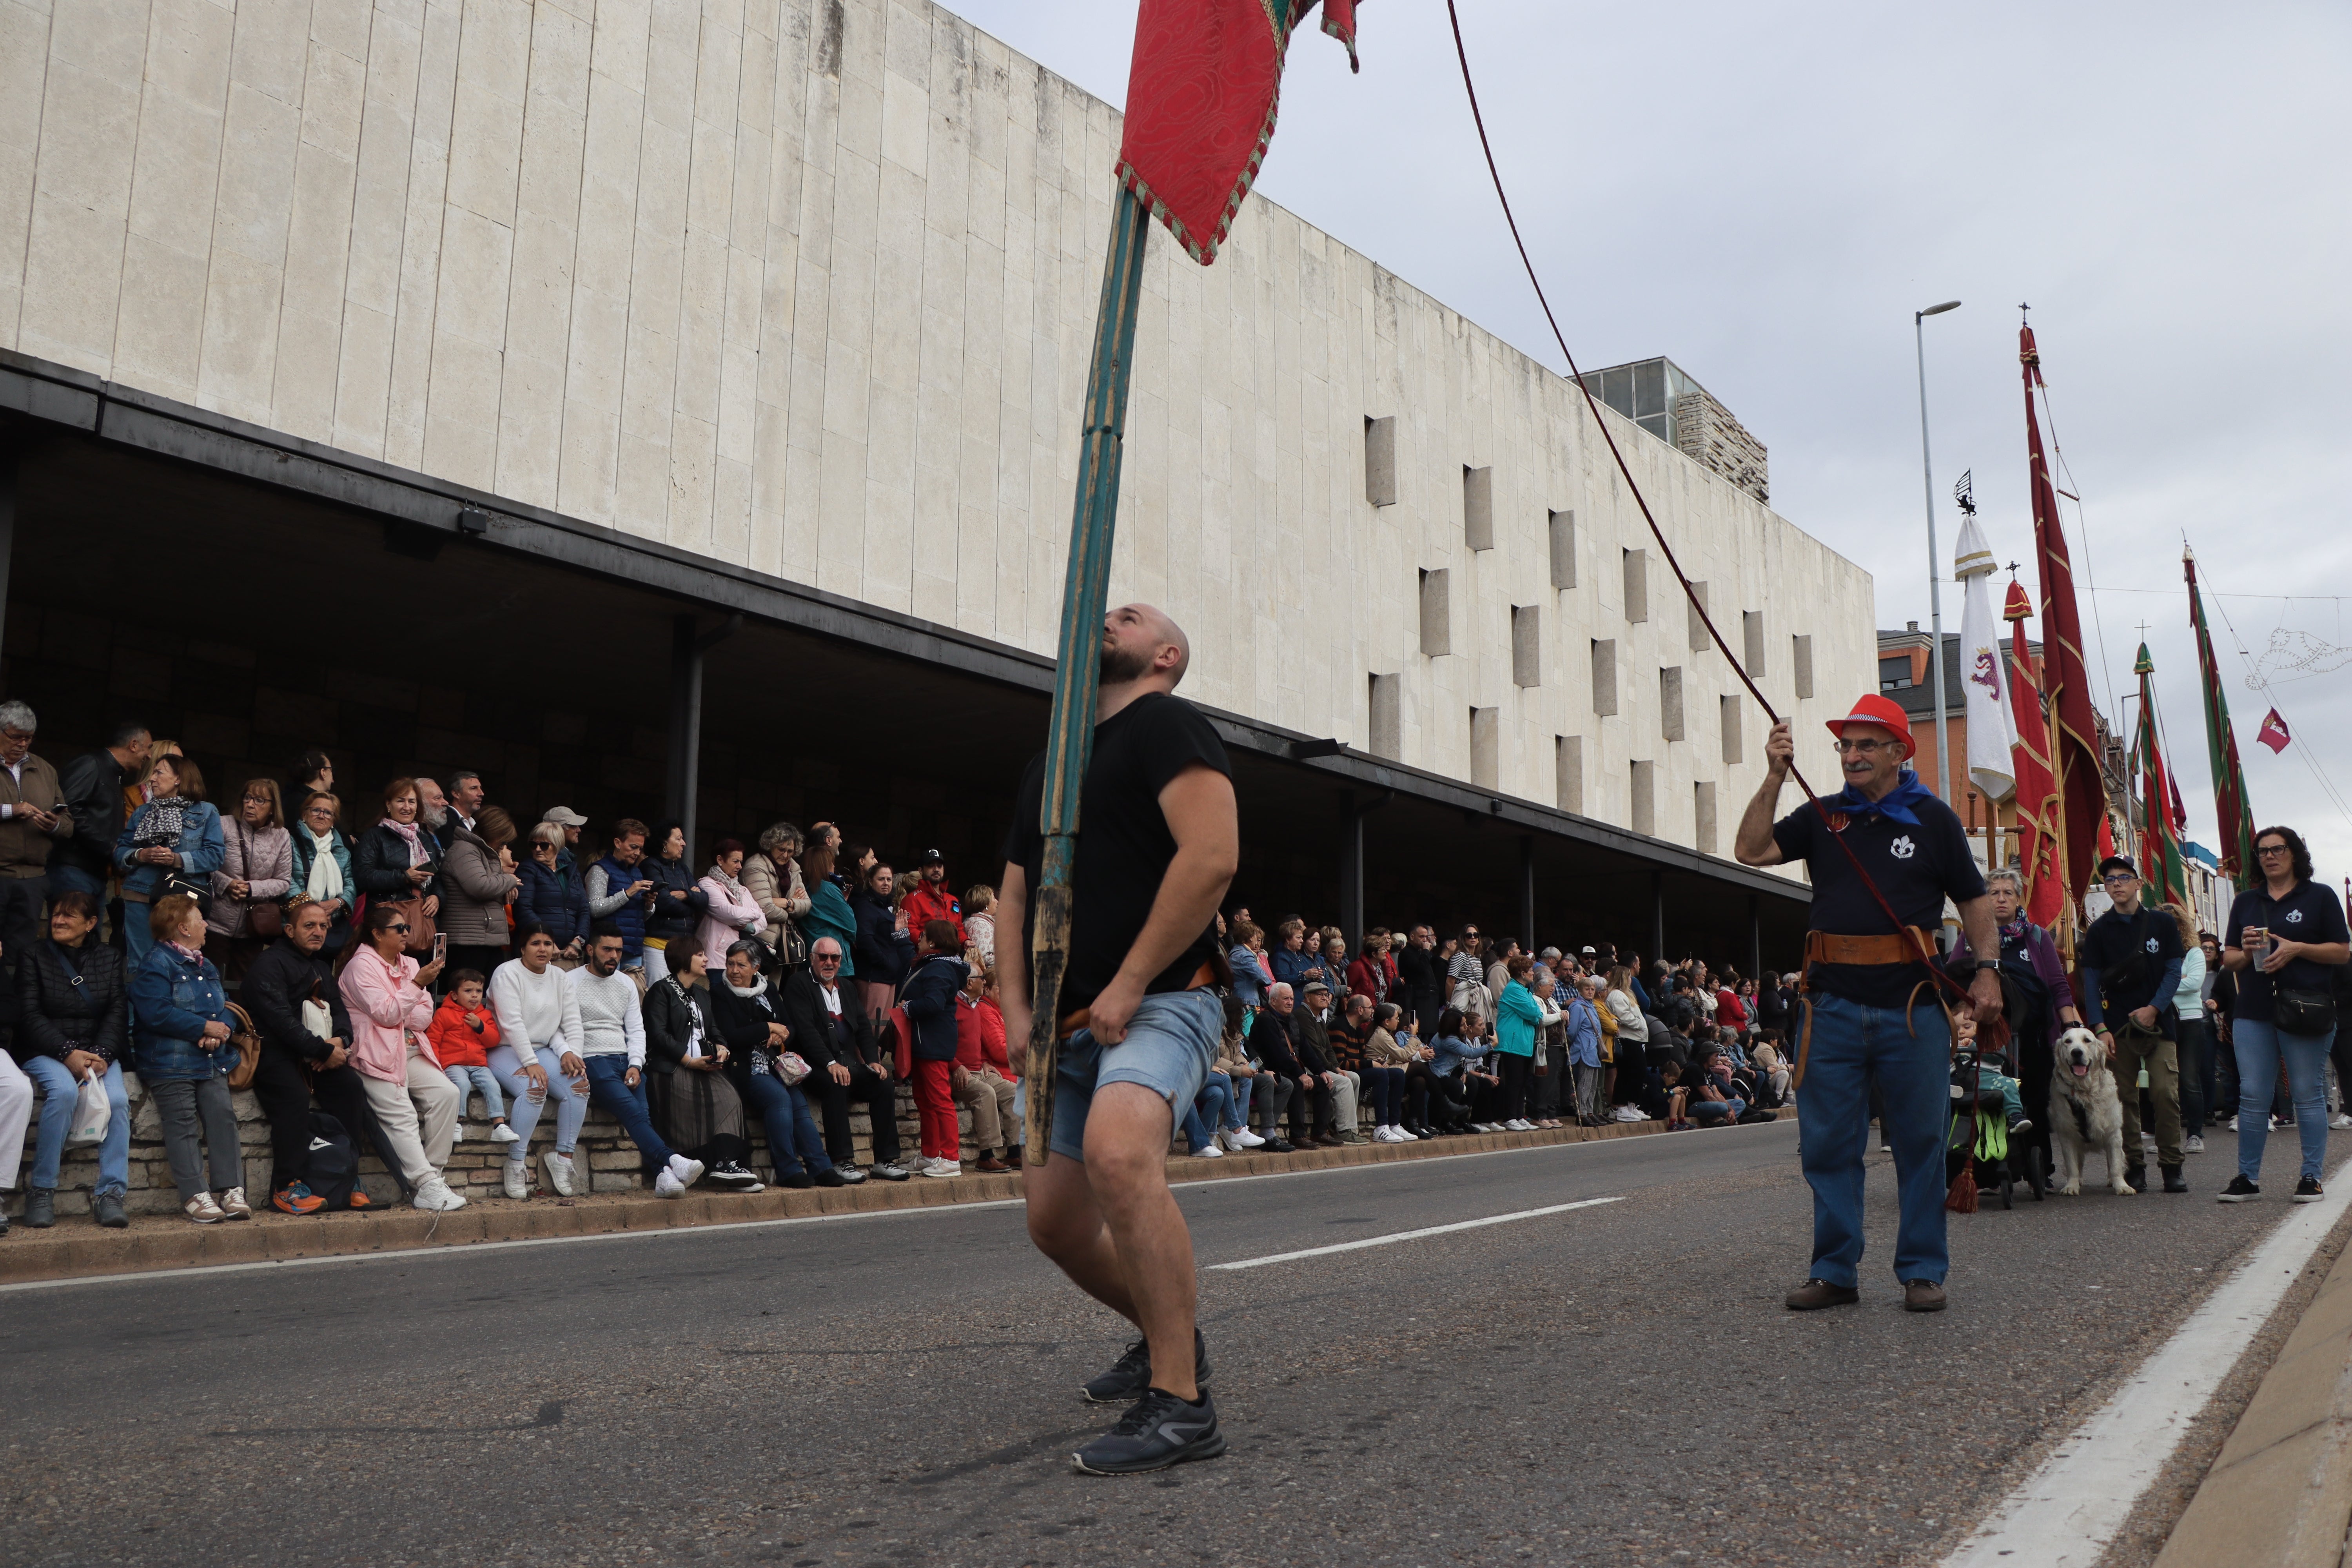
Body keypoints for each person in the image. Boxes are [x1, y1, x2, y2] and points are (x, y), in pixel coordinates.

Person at [996, 602, 1236, 1474]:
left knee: (1121, 1155)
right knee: (1056, 1223)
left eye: (1132, 616)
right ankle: (1168, 1330)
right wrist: (1018, 1016)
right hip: (1062, 1026)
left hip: (1165, 998)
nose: (1112, 612)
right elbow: (1015, 901)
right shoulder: (1050, 765)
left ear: (1166, 655)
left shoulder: (1169, 723)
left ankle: (1181, 1404)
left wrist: (1132, 978)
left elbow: (1210, 857)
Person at [1733, 695, 2000, 1314]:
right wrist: (1774, 775)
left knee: (1920, 1143)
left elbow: (1975, 901)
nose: (1851, 757)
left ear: (1898, 753)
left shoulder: (1934, 820)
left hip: (1911, 1007)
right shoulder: (1824, 816)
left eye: (1865, 746)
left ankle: (1923, 1270)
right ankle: (1834, 1271)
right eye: (1844, 746)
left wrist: (1988, 973)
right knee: (1828, 1146)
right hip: (1829, 1007)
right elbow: (1751, 851)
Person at [2218, 826, 2351, 1203]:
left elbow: (2342, 951)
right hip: (2254, 1011)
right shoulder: (2246, 901)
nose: (2270, 856)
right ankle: (2247, 1178)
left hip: (2305, 1008)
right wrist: (2245, 952)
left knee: (2308, 1095)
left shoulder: (2320, 896)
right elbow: (2229, 959)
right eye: (2263, 851)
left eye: (2278, 849)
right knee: (2253, 1095)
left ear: (2295, 854)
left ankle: (2311, 1177)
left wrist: (2297, 949)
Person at [1945, 868, 2080, 1186]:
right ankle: (1980, 1166)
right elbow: (1953, 981)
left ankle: (2040, 1170)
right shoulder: (1970, 937)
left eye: (2008, 893)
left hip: (2030, 1035)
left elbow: (2058, 987)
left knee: (2032, 1099)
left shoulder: (2036, 936)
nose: (2001, 899)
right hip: (1981, 1035)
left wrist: (2071, 1026)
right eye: (1994, 893)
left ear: (2018, 898)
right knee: (1975, 1098)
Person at [243, 897, 379, 1213]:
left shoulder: (320, 966)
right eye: (309, 926)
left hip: (318, 1054)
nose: (319, 931)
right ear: (289, 930)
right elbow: (280, 1021)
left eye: (323, 926)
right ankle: (286, 1188)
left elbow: (341, 1011)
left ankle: (347, 1181)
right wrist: (322, 1050)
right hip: (276, 1054)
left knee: (350, 1087)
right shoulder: (269, 964)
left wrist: (340, 1041)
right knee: (292, 1097)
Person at [571, 924, 719, 1195]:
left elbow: (637, 1030)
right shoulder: (570, 981)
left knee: (642, 1115)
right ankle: (672, 1160)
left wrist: (636, 1064)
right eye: (607, 949)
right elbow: (566, 1028)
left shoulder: (626, 982)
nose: (614, 955)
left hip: (626, 1060)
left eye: (618, 950)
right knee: (631, 1109)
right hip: (592, 1058)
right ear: (590, 950)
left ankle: (664, 1177)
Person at [12, 891, 131, 1227]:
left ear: (91, 924)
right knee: (64, 1092)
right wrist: (67, 1052)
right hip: (46, 1050)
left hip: (97, 1051)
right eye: (56, 915)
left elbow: (116, 1012)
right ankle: (42, 1190)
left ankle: (111, 1194)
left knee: (119, 1102)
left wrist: (104, 1055)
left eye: (69, 916)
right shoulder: (33, 955)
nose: (59, 921)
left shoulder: (109, 958)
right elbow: (29, 1014)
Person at [128, 893, 249, 1223]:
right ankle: (195, 1195)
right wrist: (203, 1026)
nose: (207, 924)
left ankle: (231, 1189)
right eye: (200, 919)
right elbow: (155, 1013)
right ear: (183, 928)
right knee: (181, 1125)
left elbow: (224, 1006)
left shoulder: (204, 963)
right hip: (170, 1063)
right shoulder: (155, 964)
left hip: (210, 1060)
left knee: (223, 1118)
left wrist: (221, 1028)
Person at [339, 901, 466, 1210]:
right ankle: (425, 1182)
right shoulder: (360, 967)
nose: (407, 933)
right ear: (378, 934)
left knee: (448, 1094)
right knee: (403, 1115)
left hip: (409, 1048)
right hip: (375, 1054)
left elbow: (423, 1017)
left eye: (407, 928)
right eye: (400, 928)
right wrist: (416, 987)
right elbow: (386, 1013)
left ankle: (432, 1179)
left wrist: (402, 1004)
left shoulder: (410, 963)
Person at [2078, 855, 2188, 1195]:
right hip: (2117, 1028)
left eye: (2124, 878)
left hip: (2159, 1024)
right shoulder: (2098, 931)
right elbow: (2091, 983)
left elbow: (2174, 972)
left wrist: (2155, 1008)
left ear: (2139, 884)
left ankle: (2172, 1166)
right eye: (2110, 880)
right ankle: (2134, 1167)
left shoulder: (2162, 924)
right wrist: (2099, 1028)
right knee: (2123, 1098)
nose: (2116, 884)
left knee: (2165, 1093)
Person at [707, 938, 843, 1189]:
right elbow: (730, 1035)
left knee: (799, 1104)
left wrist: (781, 1033)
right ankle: (788, 1170)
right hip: (746, 1066)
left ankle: (821, 1167)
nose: (734, 971)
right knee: (779, 1099)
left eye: (741, 965)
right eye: (730, 964)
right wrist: (767, 1028)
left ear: (756, 968)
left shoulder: (768, 989)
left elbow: (790, 1025)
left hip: (776, 1065)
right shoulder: (720, 993)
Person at [778, 935, 908, 1180]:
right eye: (823, 957)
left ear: (841, 961)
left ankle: (884, 1161)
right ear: (813, 959)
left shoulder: (847, 987)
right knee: (836, 1083)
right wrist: (830, 1063)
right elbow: (806, 1032)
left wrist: (874, 1061)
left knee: (883, 1085)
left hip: (847, 1063)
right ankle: (842, 1161)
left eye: (835, 958)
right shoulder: (799, 984)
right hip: (814, 1066)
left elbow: (862, 1028)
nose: (829, 963)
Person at [485, 924, 590, 1199]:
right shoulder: (507, 973)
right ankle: (516, 1163)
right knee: (534, 1088)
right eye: (535, 943)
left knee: (579, 1084)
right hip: (503, 1048)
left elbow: (571, 1020)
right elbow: (512, 1023)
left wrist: (571, 1053)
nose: (543, 949)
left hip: (542, 1048)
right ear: (522, 948)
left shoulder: (560, 977)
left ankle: (563, 1159)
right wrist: (532, 1062)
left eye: (547, 943)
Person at [113, 753, 225, 967]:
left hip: (181, 901)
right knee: (140, 965)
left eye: (158, 773)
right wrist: (140, 855)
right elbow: (120, 852)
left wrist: (176, 859)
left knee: (180, 964)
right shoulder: (142, 812)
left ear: (179, 779)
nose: (152, 779)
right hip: (141, 895)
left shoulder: (206, 812)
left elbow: (215, 856)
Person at [900, 917, 972, 1178]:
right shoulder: (932, 964)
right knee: (924, 1100)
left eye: (922, 937)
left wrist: (907, 1008)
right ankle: (930, 1154)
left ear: (932, 942)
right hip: (924, 1040)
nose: (917, 940)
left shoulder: (940, 969)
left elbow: (933, 1003)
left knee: (940, 1100)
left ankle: (951, 1158)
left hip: (933, 1041)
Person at [0, 700, 70, 964]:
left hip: (32, 879)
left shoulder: (45, 769)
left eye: (29, 739)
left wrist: (54, 825)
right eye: (16, 737)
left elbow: (69, 824)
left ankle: (13, 1006)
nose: (23, 744)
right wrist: (11, 810)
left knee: (21, 957)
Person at [204, 778, 292, 982]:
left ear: (273, 808)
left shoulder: (282, 836)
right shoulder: (222, 824)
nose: (251, 804)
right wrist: (227, 885)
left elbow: (283, 881)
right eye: (248, 798)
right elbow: (206, 865)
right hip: (215, 924)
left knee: (241, 990)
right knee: (210, 984)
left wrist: (251, 889)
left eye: (260, 800)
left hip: (252, 929)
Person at [52, 720, 149, 904]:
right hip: (74, 869)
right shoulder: (92, 764)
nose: (150, 755)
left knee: (90, 933)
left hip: (95, 872)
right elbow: (68, 810)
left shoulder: (115, 774)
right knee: (70, 931)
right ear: (134, 745)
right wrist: (110, 847)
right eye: (149, 748)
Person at [350, 779, 440, 957]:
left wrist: (438, 897)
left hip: (422, 923)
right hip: (388, 923)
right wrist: (404, 877)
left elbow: (440, 876)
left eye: (412, 802)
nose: (407, 807)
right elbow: (362, 876)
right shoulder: (374, 836)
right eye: (401, 801)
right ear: (388, 804)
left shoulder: (424, 839)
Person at [427, 969, 516, 1143]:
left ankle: (499, 1125)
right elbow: (433, 1040)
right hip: (453, 1064)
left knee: (492, 1085)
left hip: (479, 1064)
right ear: (454, 995)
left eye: (479, 991)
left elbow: (494, 1040)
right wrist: (437, 1066)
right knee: (461, 1084)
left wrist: (480, 1026)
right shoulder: (444, 1014)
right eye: (468, 991)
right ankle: (456, 1123)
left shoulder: (484, 1015)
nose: (474, 996)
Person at [437, 804, 519, 983]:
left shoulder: (481, 852)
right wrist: (511, 881)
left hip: (484, 938)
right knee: (465, 999)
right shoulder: (464, 851)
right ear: (493, 832)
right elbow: (480, 886)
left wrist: (505, 885)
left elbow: (490, 882)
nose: (504, 845)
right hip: (467, 942)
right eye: (503, 839)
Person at [951, 963, 1020, 1171]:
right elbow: (944, 1043)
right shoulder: (956, 1006)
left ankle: (1015, 1152)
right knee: (986, 1093)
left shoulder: (974, 1006)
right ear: (969, 982)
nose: (984, 981)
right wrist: (956, 1066)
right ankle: (986, 1156)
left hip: (980, 1070)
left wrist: (983, 1063)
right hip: (959, 1073)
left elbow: (975, 1044)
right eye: (981, 978)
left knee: (1013, 1092)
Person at [287, 791, 357, 956]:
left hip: (333, 928)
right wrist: (314, 912)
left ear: (333, 820)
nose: (321, 816)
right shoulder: (290, 841)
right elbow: (285, 878)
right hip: (298, 925)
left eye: (328, 813)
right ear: (305, 814)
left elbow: (350, 884)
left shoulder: (342, 851)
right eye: (315, 810)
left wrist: (339, 902)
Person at [640, 820, 708, 983]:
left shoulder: (682, 869)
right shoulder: (650, 865)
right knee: (658, 992)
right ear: (665, 843)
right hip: (657, 946)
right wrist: (692, 903)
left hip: (682, 948)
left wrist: (686, 895)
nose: (683, 843)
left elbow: (704, 901)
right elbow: (664, 902)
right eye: (678, 839)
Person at [586, 820, 657, 978]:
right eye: (633, 847)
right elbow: (595, 908)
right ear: (618, 843)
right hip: (607, 948)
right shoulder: (600, 869)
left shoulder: (637, 873)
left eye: (640, 848)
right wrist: (627, 893)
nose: (638, 853)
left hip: (634, 949)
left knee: (633, 997)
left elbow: (637, 917)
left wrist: (648, 905)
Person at [2167, 902, 2210, 1152]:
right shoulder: (2156, 951)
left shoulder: (2194, 953)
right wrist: (2177, 980)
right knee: (2164, 1080)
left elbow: (2194, 984)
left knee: (2189, 1079)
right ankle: (2166, 1134)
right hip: (2164, 1019)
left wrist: (2165, 983)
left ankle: (2195, 1134)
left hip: (2190, 1020)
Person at [517, 820, 590, 959]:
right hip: (539, 951)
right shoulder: (527, 870)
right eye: (533, 845)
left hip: (570, 952)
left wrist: (579, 940)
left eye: (544, 845)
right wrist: (547, 942)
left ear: (557, 846)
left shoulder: (571, 872)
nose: (538, 849)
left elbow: (584, 909)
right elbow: (524, 908)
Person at [851, 858, 913, 1019]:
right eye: (881, 879)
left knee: (883, 1030)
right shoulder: (865, 905)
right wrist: (887, 963)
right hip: (873, 976)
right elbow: (865, 940)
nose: (886, 883)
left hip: (890, 977)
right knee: (871, 1027)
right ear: (871, 882)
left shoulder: (886, 908)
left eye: (889, 879)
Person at [1491, 955, 1543, 1132]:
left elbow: (1537, 1013)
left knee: (1522, 1082)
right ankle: (1509, 1117)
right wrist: (1536, 1014)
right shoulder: (1514, 989)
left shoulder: (1525, 990)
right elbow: (1534, 1013)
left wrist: (1536, 1013)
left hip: (1524, 1043)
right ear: (1522, 973)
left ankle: (1519, 1116)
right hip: (1513, 1043)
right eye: (1531, 972)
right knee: (1514, 1082)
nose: (1533, 975)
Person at [697, 839, 768, 960]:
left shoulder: (742, 889)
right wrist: (757, 914)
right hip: (716, 957)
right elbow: (731, 914)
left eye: (741, 862)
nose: (740, 866)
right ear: (720, 860)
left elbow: (764, 922)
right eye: (736, 861)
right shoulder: (707, 884)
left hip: (741, 957)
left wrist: (746, 927)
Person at [797, 841, 857, 977]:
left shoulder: (805, 888)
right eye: (831, 862)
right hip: (833, 962)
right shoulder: (828, 889)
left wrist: (842, 901)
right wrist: (842, 903)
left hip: (813, 959)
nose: (834, 866)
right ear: (824, 865)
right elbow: (852, 927)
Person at [903, 849, 966, 947]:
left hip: (954, 956)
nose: (936, 869)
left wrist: (965, 941)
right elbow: (909, 930)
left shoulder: (953, 900)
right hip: (928, 957)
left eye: (940, 866)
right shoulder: (912, 899)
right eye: (931, 865)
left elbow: (959, 929)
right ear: (921, 871)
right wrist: (933, 943)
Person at [539, 806, 588, 873]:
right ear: (559, 829)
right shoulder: (554, 858)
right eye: (573, 826)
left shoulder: (565, 855)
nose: (579, 830)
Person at [964, 885, 998, 970]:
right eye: (993, 898)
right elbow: (985, 957)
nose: (997, 902)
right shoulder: (981, 926)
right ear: (986, 904)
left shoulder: (979, 922)